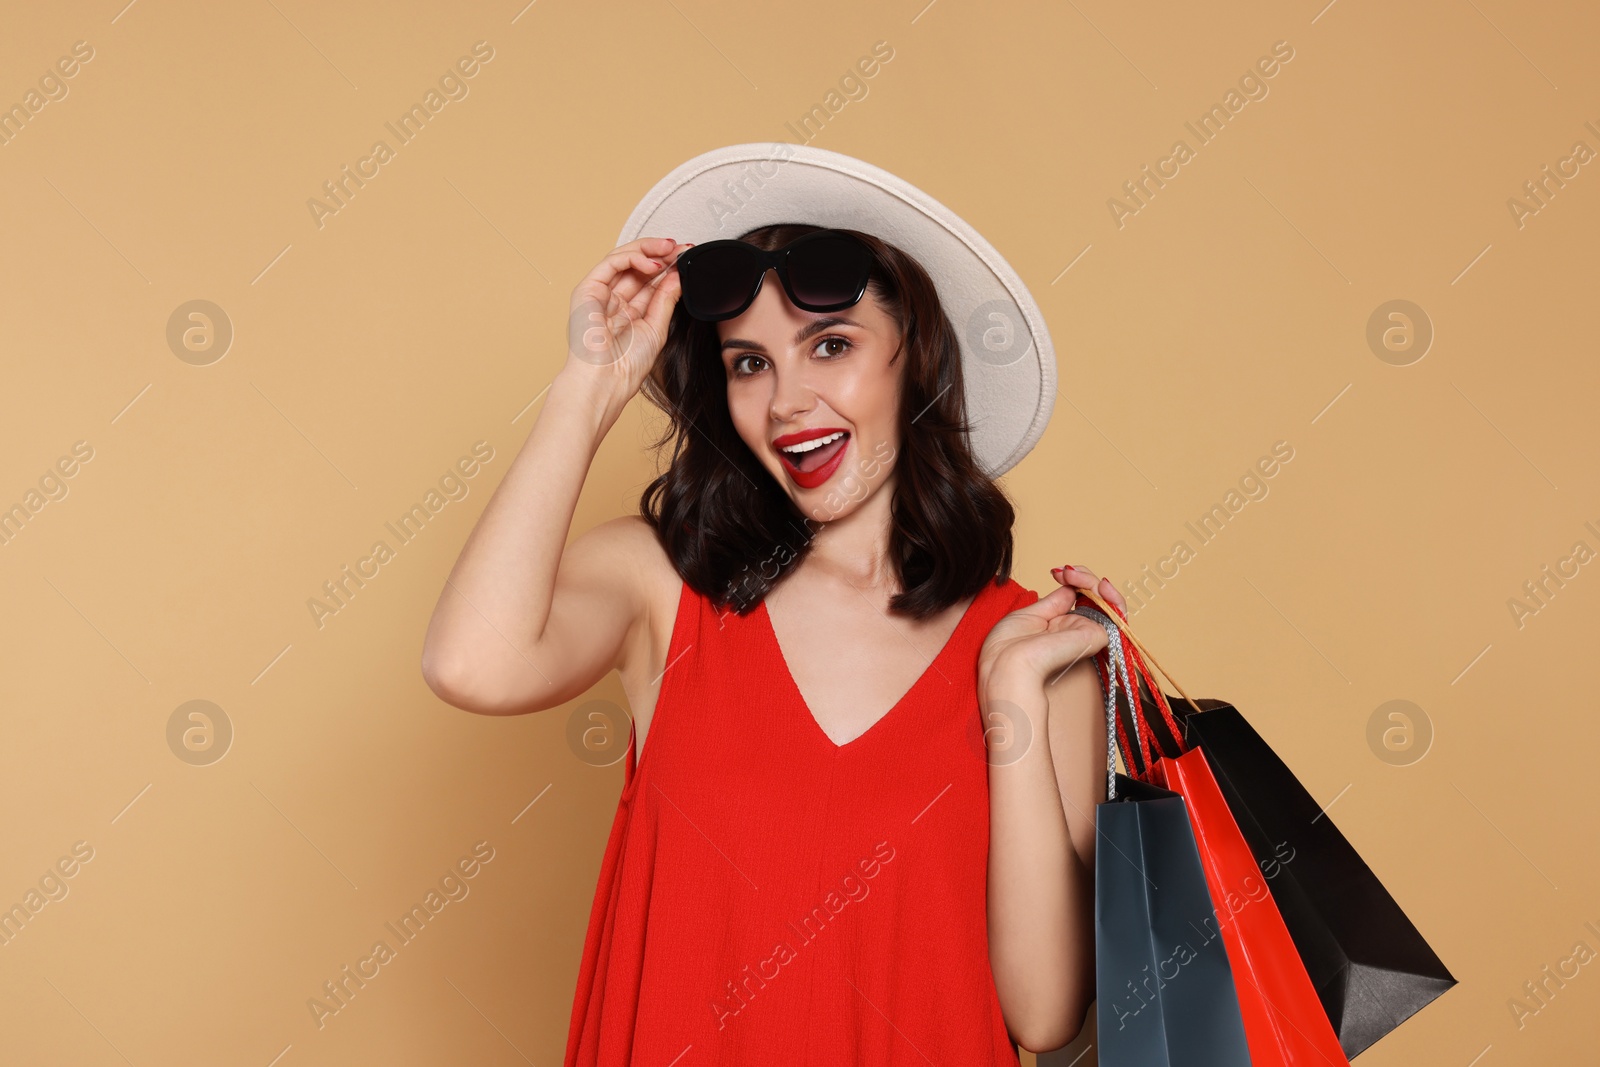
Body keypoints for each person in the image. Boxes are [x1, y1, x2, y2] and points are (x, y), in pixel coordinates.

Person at [421, 144, 1129, 1064]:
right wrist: (589, 385)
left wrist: (1012, 700)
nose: (788, 400)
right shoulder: (663, 584)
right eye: (748, 363)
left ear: (916, 363)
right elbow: (469, 662)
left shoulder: (1031, 649)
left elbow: (1044, 1015)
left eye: (830, 345)